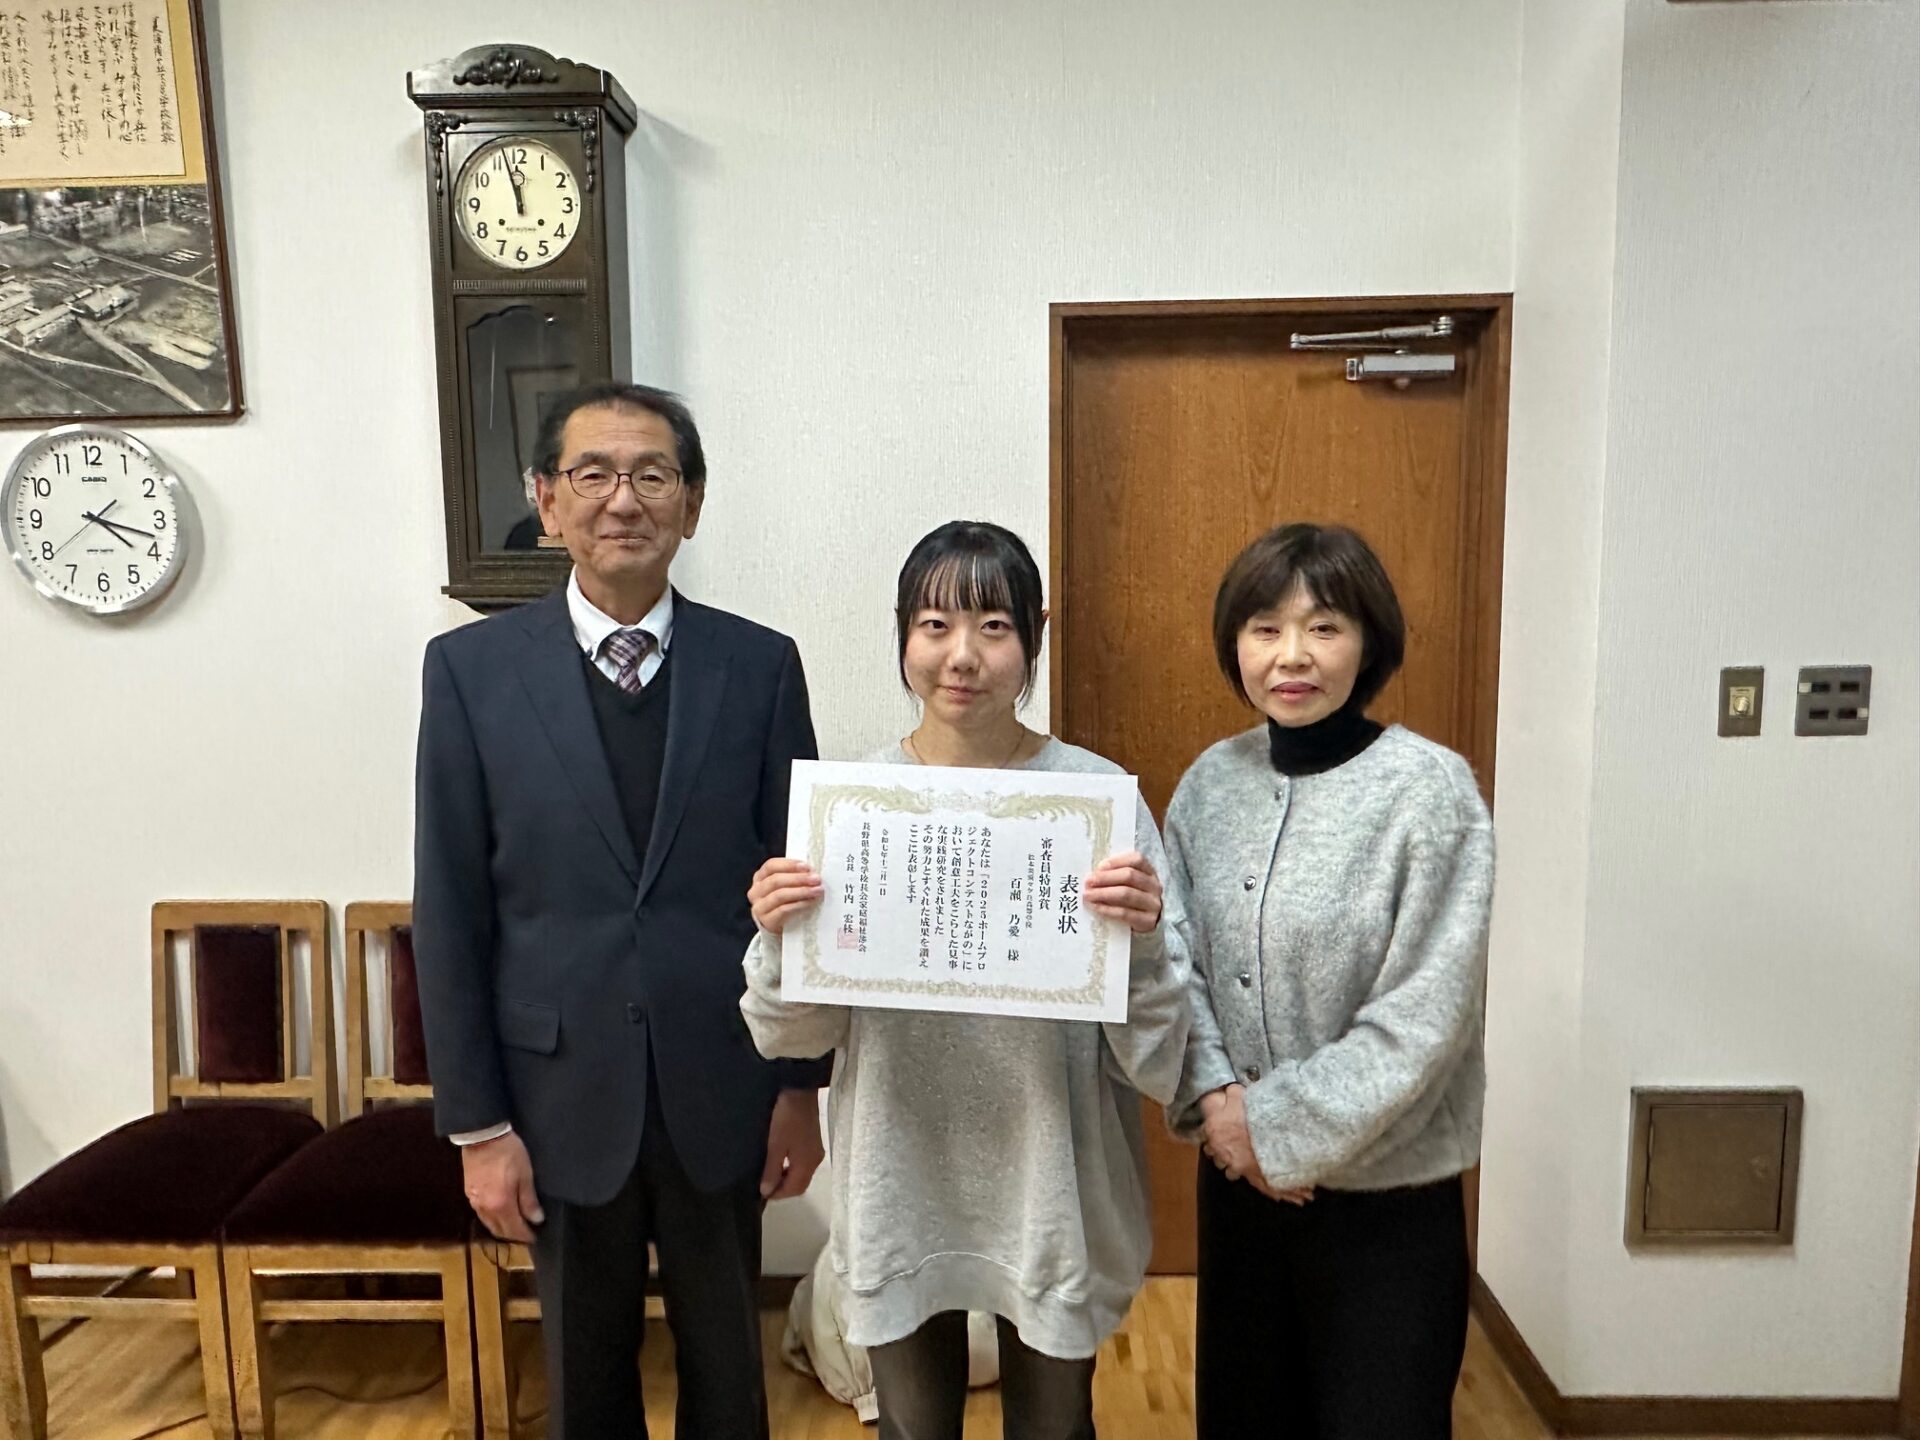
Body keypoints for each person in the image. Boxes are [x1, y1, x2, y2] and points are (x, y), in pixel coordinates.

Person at [412, 382, 831, 1438]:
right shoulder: (470, 672)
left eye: (653, 474)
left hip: (723, 1081)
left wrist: (800, 1087)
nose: (623, 499)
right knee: (584, 1379)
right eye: (593, 473)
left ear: (693, 502)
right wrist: (478, 1127)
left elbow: (799, 892)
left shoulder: (760, 666)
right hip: (554, 1092)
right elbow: (452, 910)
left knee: (729, 1375)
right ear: (546, 500)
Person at [740, 520, 1190, 1440]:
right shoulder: (852, 806)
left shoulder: (1095, 802)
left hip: (1052, 1184)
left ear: (1035, 636)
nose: (962, 656)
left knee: (1056, 1426)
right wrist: (780, 936)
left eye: (994, 626)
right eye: (935, 625)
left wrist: (1143, 941)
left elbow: (1157, 1058)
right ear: (903, 634)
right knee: (909, 1426)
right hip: (899, 1176)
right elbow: (791, 1033)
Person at [1167, 522, 1495, 1440]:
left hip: (1385, 1204)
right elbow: (1172, 966)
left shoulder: (1429, 793)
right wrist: (1219, 1107)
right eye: (1265, 628)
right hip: (1238, 1190)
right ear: (1235, 644)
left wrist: (1272, 1130)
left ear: (1369, 641)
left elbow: (1425, 1016)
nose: (1292, 656)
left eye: (1324, 627)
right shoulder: (1209, 785)